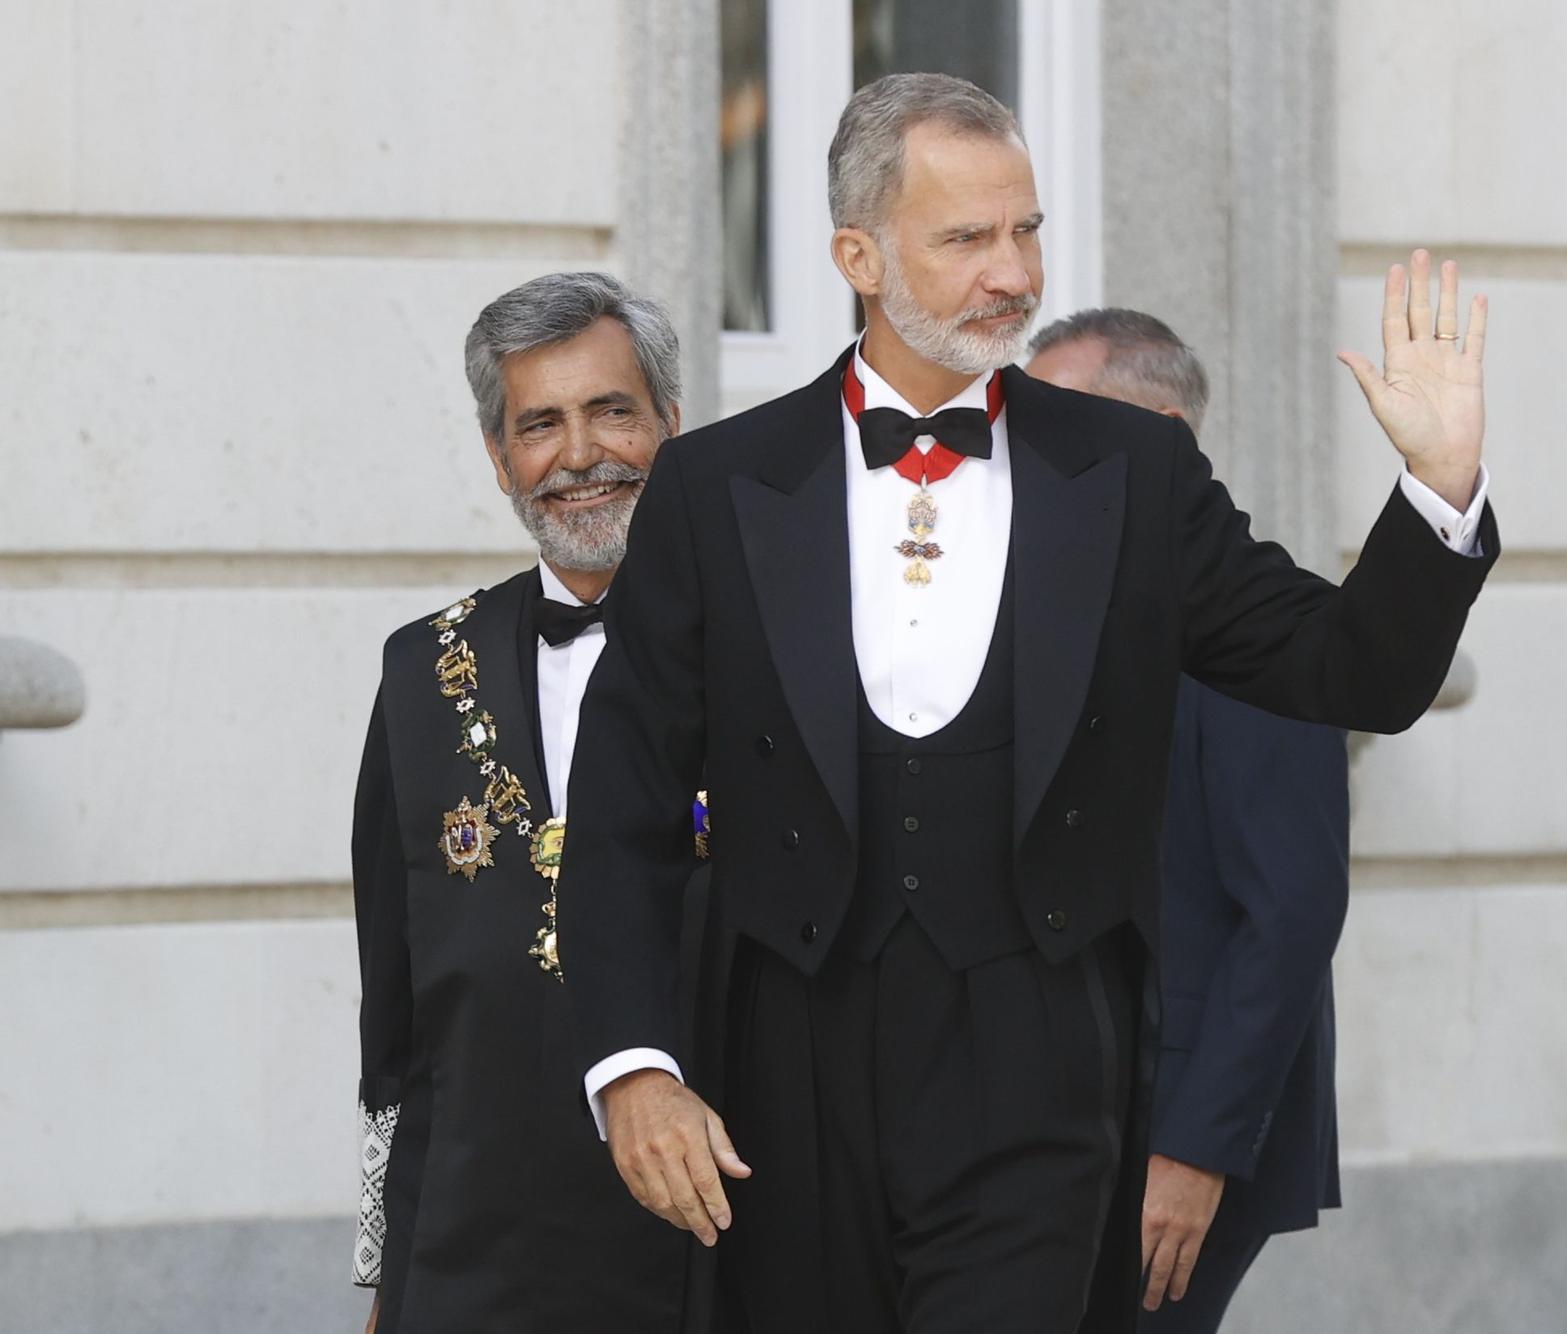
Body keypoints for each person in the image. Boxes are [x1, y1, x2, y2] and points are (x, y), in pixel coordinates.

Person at [563, 72, 1497, 1334]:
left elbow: (1348, 670)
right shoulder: (716, 484)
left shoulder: (1130, 469)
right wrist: (634, 1063)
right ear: (856, 252)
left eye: (1028, 231)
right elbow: (620, 807)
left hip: (1038, 1056)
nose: (1013, 272)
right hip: (781, 1060)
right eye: (966, 238)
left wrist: (1436, 491)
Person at [350, 272, 690, 1333]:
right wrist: (382, 1275)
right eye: (538, 423)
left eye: (611, 410)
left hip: (715, 1241)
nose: (578, 454)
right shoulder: (420, 670)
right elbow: (394, 1019)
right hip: (476, 1254)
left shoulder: (771, 649)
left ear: (671, 426)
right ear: (500, 457)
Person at [1026, 309, 1351, 1330]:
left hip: (1177, 1133)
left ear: (1160, 432)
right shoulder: (1053, 607)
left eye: (1053, 423)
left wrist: (1198, 1149)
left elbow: (1292, 908)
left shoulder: (1255, 623)